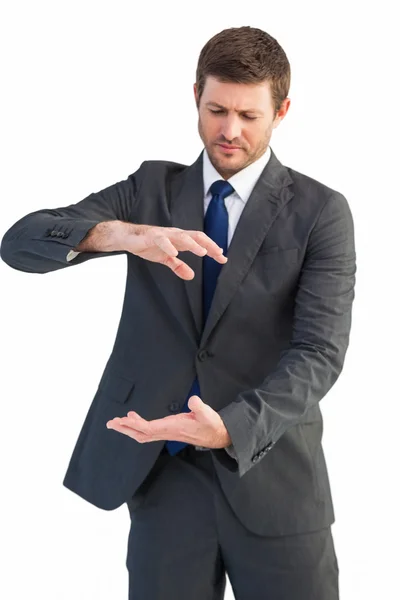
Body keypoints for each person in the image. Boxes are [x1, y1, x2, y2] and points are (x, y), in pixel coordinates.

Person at [0, 25, 356, 600]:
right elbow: (19, 243)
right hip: (163, 479)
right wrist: (123, 234)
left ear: (282, 110)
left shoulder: (321, 212)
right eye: (216, 110)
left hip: (273, 478)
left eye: (249, 115)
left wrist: (230, 429)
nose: (230, 131)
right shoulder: (151, 192)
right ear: (196, 96)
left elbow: (320, 354)